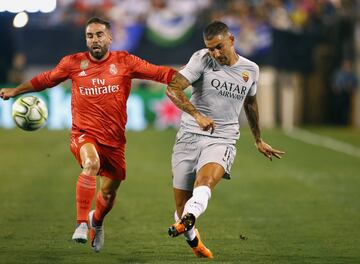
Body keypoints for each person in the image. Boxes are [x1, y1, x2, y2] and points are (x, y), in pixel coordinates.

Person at [0, 17, 175, 252]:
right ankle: (81, 223)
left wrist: (189, 77)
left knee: (108, 194)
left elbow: (160, 73)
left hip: (114, 141)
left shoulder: (125, 61)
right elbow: (46, 79)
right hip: (83, 134)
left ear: (110, 38)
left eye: (99, 35)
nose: (94, 40)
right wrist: (16, 90)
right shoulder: (73, 63)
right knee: (90, 163)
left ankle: (97, 222)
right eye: (90, 36)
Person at [165, 21, 285, 259]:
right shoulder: (201, 59)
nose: (215, 53)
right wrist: (197, 115)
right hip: (188, 136)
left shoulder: (251, 69)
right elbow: (172, 88)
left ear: (231, 40)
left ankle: (189, 219)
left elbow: (250, 103)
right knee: (181, 206)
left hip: (222, 137)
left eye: (219, 47)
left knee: (206, 180)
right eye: (211, 48)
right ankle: (194, 239)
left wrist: (258, 139)